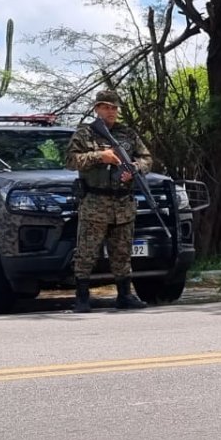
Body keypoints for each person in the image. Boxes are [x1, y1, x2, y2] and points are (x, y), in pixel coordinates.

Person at [65, 89, 153, 313]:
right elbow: (71, 160)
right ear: (97, 109)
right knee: (86, 253)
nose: (111, 111)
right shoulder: (85, 133)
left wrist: (134, 168)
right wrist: (100, 157)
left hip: (123, 203)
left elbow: (146, 158)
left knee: (122, 252)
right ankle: (82, 298)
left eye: (114, 108)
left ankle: (124, 295)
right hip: (95, 202)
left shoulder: (127, 133)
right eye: (106, 107)